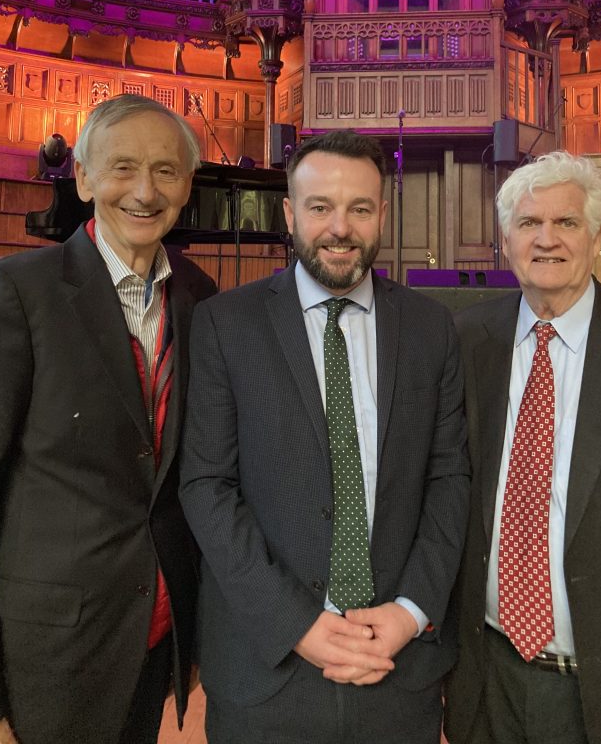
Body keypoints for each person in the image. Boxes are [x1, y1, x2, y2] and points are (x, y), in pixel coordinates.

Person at [0, 94, 216, 744]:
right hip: (44, 657)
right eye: (122, 168)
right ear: (83, 178)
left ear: (187, 185)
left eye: (166, 171)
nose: (144, 191)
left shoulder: (200, 297)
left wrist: (192, 634)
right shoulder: (18, 294)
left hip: (153, 639)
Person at [180, 129, 470, 744]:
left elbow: (450, 479)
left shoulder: (431, 330)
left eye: (360, 208)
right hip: (267, 666)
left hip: (396, 665)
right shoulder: (224, 325)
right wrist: (296, 624)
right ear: (289, 213)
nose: (340, 227)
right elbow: (206, 486)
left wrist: (411, 611)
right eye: (320, 207)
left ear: (382, 214)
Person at [443, 150, 601, 744]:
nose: (547, 239)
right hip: (488, 679)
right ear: (506, 241)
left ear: (597, 237)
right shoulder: (465, 341)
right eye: (530, 223)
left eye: (567, 222)